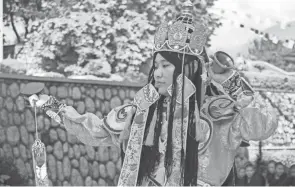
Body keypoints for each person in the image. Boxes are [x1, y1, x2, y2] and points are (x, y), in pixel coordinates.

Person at [25, 0, 277, 186]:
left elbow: (264, 126)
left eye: (165, 65)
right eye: (155, 65)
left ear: (187, 70)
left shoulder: (220, 112)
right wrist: (53, 107)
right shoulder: (143, 110)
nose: (157, 73)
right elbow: (97, 131)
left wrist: (233, 82)